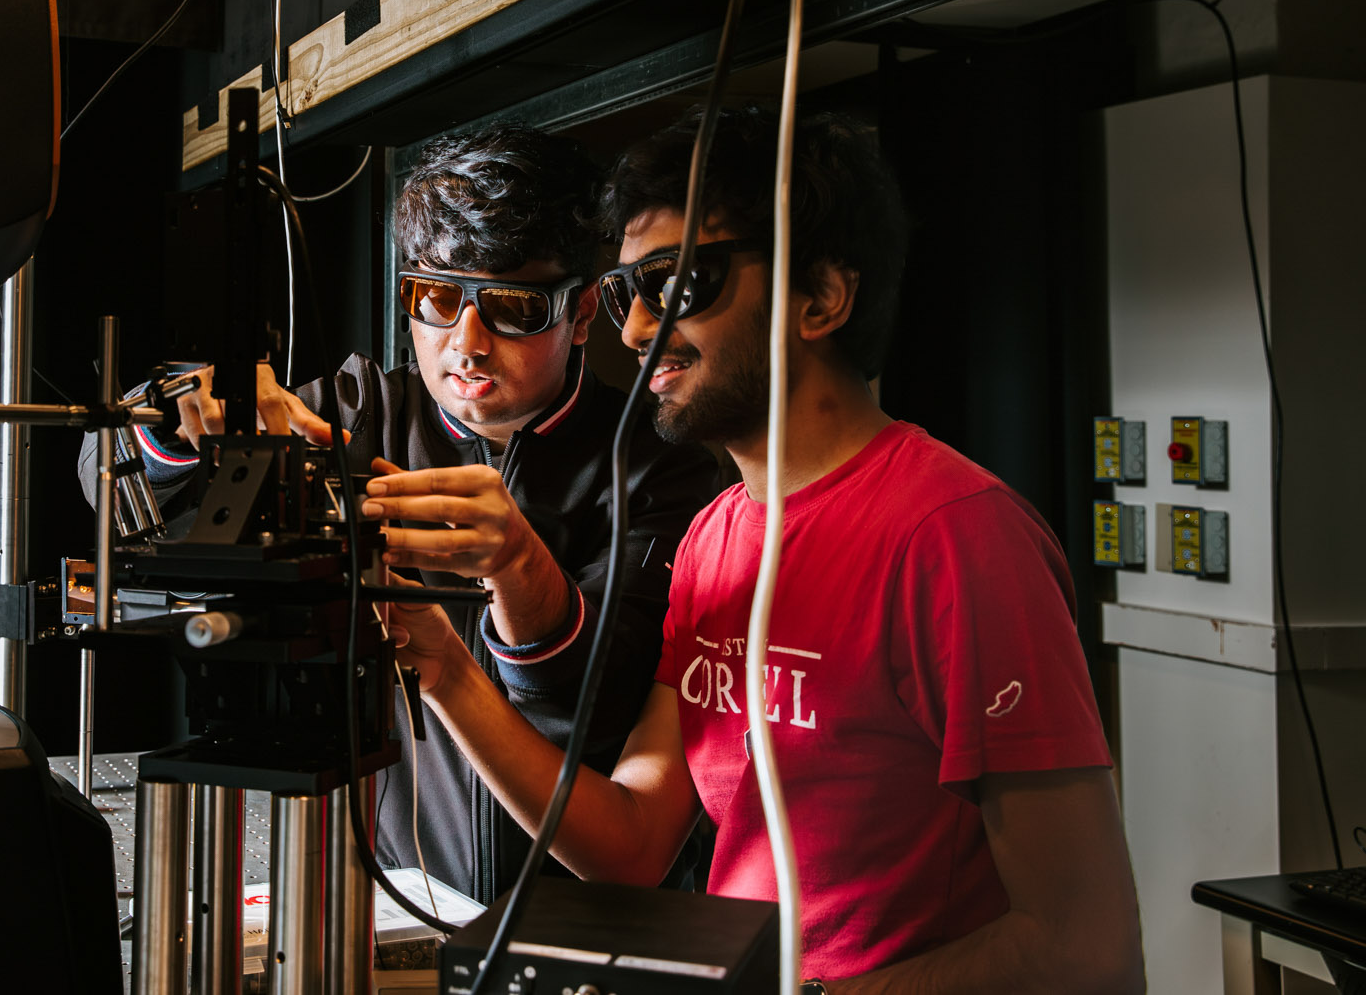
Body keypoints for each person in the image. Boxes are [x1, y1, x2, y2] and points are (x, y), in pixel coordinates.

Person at [383, 108, 1145, 992]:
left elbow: (1087, 944)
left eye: (679, 284)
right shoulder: (716, 536)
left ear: (821, 296)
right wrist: (444, 668)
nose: (637, 333)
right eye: (632, 292)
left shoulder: (955, 536)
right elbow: (630, 842)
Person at [83, 125, 721, 903]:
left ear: (583, 312)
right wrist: (185, 425)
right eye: (438, 299)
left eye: (514, 306)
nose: (467, 342)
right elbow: (111, 488)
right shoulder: (361, 413)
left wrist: (518, 567)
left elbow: (592, 696)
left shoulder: (665, 468)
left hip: (592, 917)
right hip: (406, 900)